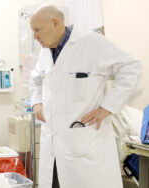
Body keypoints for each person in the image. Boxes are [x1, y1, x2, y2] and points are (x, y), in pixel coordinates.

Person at [29, 5, 142, 188]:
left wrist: (107, 108)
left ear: (56, 22)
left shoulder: (91, 43)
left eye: (37, 30)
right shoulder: (45, 52)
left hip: (85, 147)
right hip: (54, 148)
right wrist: (36, 103)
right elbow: (35, 79)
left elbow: (132, 68)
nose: (35, 36)